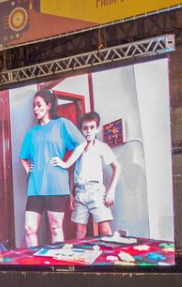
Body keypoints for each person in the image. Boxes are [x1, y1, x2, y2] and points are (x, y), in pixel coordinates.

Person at [18, 89, 82, 247]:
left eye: (39, 105)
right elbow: (22, 156)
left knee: (55, 228)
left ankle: (56, 266)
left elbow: (81, 144)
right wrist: (28, 170)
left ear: (48, 105)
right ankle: (34, 268)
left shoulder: (61, 124)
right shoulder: (31, 133)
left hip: (56, 185)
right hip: (35, 187)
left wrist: (66, 164)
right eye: (33, 106)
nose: (35, 109)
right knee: (29, 228)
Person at [53, 110, 121, 239]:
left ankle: (108, 256)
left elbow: (117, 167)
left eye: (91, 128)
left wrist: (111, 191)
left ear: (97, 129)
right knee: (80, 231)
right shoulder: (78, 149)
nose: (88, 131)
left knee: (105, 230)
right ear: (81, 130)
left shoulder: (101, 147)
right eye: (85, 128)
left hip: (96, 191)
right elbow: (72, 173)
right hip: (80, 192)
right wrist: (71, 194)